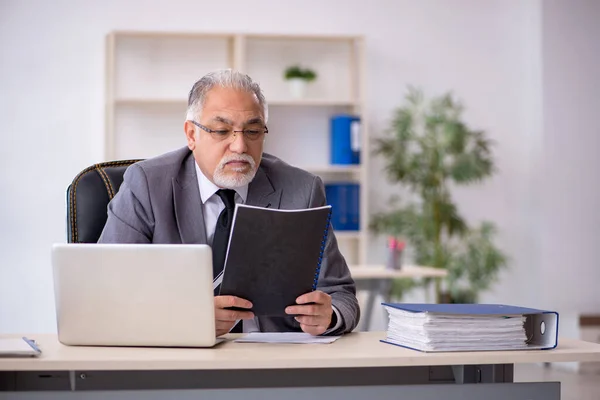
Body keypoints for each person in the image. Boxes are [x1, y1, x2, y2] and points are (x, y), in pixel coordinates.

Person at [99, 69, 359, 336]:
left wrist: (329, 316)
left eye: (253, 131)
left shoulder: (301, 190)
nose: (240, 146)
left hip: (271, 361)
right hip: (177, 359)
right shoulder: (147, 185)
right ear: (191, 135)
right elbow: (107, 290)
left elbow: (342, 296)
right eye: (222, 131)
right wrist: (190, 318)